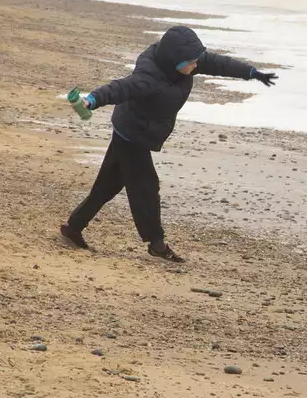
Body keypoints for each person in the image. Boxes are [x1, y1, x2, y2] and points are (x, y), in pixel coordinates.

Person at [59, 25, 277, 262]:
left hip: (130, 130)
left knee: (107, 186)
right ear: (174, 60)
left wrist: (252, 73)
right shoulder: (148, 77)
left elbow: (219, 63)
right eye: (191, 63)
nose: (196, 66)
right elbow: (119, 88)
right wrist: (90, 100)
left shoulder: (183, 61)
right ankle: (157, 245)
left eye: (196, 61)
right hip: (134, 135)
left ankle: (73, 228)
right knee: (147, 189)